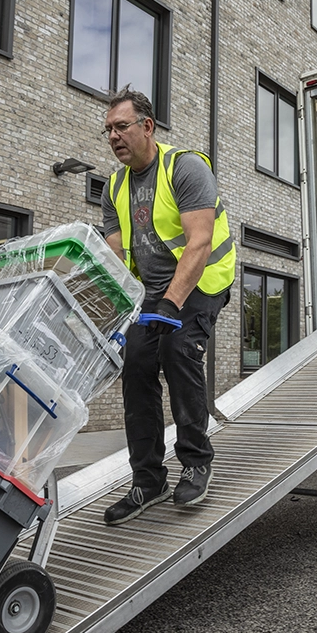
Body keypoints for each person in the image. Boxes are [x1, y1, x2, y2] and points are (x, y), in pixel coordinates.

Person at [99, 87, 236, 526]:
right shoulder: (114, 186)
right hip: (151, 294)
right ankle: (148, 478)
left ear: (148, 126)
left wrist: (173, 304)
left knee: (178, 352)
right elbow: (116, 258)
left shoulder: (186, 168)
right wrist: (112, 313)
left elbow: (199, 242)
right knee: (135, 366)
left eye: (122, 126)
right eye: (108, 130)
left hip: (202, 281)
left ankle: (196, 461)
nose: (114, 137)